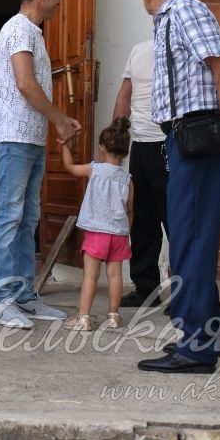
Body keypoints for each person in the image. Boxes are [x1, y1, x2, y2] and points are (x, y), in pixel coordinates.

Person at [135, 0, 220, 374]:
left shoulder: (186, 9)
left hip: (198, 136)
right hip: (181, 139)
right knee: (188, 237)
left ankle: (198, 346)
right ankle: (212, 332)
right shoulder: (168, 17)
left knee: (192, 239)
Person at [0, 0, 81, 329]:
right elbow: (25, 83)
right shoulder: (19, 29)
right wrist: (59, 119)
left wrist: (53, 122)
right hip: (12, 136)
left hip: (28, 137)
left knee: (26, 219)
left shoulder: (30, 32)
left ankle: (22, 296)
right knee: (9, 216)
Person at [60, 117, 134, 331]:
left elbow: (69, 167)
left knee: (90, 277)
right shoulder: (128, 180)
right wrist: (125, 231)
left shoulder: (94, 170)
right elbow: (130, 210)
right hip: (119, 235)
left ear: (102, 148)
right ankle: (114, 316)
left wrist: (65, 146)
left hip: (97, 233)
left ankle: (83, 318)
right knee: (115, 275)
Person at [113, 40, 169, 309]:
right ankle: (146, 289)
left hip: (171, 145)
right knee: (143, 220)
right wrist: (117, 140)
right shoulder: (139, 50)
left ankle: (185, 293)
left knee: (176, 220)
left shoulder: (184, 50)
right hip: (141, 145)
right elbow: (125, 94)